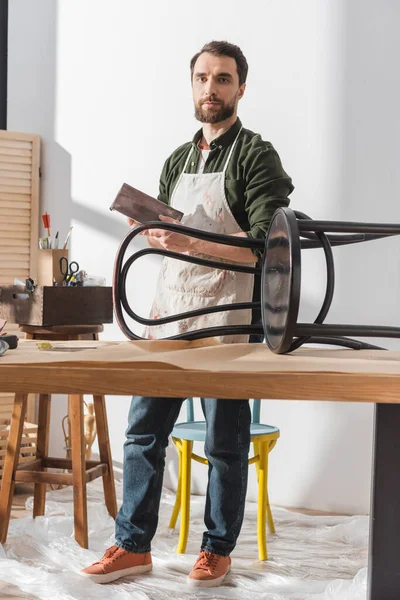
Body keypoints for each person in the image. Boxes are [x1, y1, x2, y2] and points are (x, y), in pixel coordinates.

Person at [81, 40, 293, 588]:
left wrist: (197, 245)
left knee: (226, 439)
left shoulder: (255, 156)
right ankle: (132, 546)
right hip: (169, 313)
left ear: (241, 88)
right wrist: (152, 231)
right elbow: (173, 236)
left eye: (223, 79)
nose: (210, 88)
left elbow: (266, 245)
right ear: (192, 84)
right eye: (202, 78)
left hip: (226, 315)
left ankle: (216, 550)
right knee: (144, 431)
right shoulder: (178, 158)